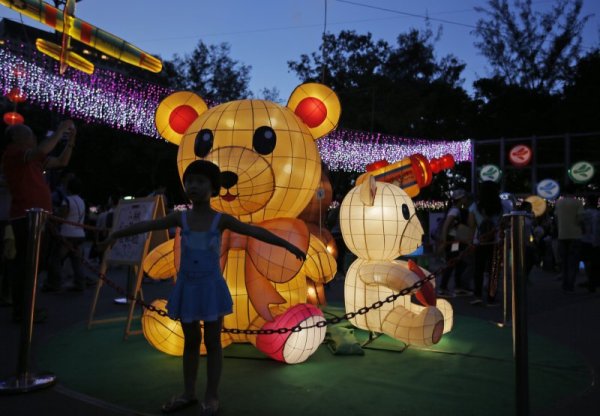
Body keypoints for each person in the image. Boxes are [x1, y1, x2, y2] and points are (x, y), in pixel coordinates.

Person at [99, 160, 306, 415]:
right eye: (190, 181)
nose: (193, 186)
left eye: (200, 181)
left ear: (213, 188)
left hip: (210, 288)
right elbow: (147, 226)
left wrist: (288, 246)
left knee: (213, 342)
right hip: (188, 287)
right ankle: (188, 392)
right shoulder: (180, 217)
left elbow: (253, 232)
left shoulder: (220, 219)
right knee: (191, 342)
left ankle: (211, 395)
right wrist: (115, 235)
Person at [2, 120, 76, 322]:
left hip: (37, 217)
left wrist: (71, 142)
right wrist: (60, 130)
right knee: (27, 265)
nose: (34, 138)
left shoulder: (32, 159)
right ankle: (24, 312)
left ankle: (27, 308)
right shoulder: (14, 152)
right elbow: (42, 149)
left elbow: (61, 162)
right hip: (26, 217)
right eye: (29, 135)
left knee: (34, 264)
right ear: (16, 137)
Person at [45, 175, 87, 292]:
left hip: (67, 234)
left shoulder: (67, 200)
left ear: (68, 188)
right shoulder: (82, 201)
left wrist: (55, 212)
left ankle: (54, 283)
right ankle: (80, 283)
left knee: (56, 259)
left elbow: (62, 216)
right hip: (80, 234)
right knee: (76, 261)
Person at [467, 180, 506, 306]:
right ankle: (491, 298)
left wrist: (470, 242)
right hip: (496, 242)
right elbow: (505, 224)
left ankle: (477, 296)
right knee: (493, 270)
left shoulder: (474, 207)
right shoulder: (502, 206)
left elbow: (471, 226)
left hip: (479, 242)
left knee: (478, 270)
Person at [436, 188, 473, 297]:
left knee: (457, 261)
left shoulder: (455, 210)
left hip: (454, 241)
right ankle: (443, 288)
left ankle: (457, 287)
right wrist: (444, 241)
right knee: (452, 262)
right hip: (453, 242)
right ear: (461, 199)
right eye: (464, 197)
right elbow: (446, 226)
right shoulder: (455, 211)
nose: (466, 199)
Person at [554, 182, 584, 293]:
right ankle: (570, 285)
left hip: (562, 235)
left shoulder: (559, 203)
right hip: (575, 235)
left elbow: (556, 218)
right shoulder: (578, 202)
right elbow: (580, 219)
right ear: (574, 192)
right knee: (573, 262)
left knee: (564, 261)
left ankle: (564, 284)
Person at [579, 195, 599, 292]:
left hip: (585, 239)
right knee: (594, 262)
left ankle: (590, 280)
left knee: (587, 261)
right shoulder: (596, 214)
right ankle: (593, 281)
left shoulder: (584, 214)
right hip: (594, 241)